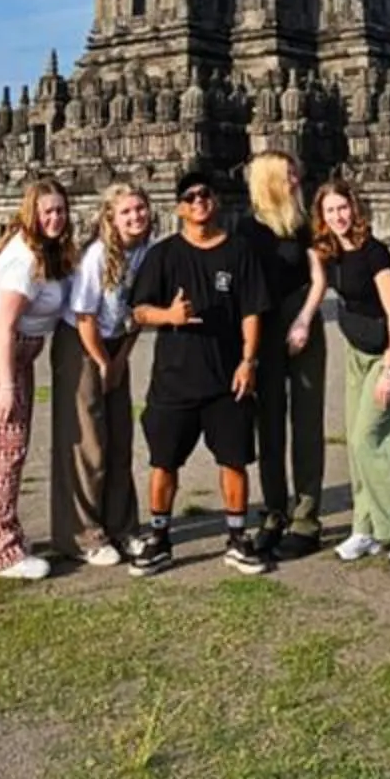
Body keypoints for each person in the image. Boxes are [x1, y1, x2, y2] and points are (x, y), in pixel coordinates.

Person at [126, 162, 272, 576]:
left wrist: (248, 360)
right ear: (179, 209)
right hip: (174, 378)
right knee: (164, 461)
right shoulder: (164, 254)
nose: (198, 202)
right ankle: (159, 537)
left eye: (204, 195)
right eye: (190, 198)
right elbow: (138, 310)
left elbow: (252, 311)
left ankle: (238, 536)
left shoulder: (238, 252)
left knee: (234, 459)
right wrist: (169, 315)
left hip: (228, 377)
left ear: (216, 201)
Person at [307, 173, 390, 568]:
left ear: (355, 208)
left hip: (386, 354)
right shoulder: (327, 249)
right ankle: (367, 525)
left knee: (369, 439)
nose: (338, 216)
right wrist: (300, 322)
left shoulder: (374, 252)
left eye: (343, 208)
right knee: (354, 441)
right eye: (330, 211)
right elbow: (316, 286)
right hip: (356, 354)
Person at [0, 177, 74, 581]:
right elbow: (5, 324)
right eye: (47, 212)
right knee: (6, 443)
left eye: (60, 210)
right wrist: (6, 386)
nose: (55, 218)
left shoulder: (50, 251)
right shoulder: (24, 258)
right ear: (32, 214)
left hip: (15, 348)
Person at [50, 181, 153, 568]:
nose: (135, 217)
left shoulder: (146, 252)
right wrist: (104, 363)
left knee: (119, 437)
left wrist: (121, 358)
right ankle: (82, 534)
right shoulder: (96, 256)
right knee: (87, 440)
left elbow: (139, 312)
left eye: (140, 209)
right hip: (81, 343)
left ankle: (123, 527)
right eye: (126, 211)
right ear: (110, 216)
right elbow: (84, 316)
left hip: (116, 343)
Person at [244, 149, 328, 557]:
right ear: (268, 179)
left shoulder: (303, 224)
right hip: (264, 326)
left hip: (303, 322)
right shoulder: (247, 230)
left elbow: (318, 277)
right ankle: (274, 511)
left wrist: (305, 320)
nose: (296, 180)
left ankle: (307, 517)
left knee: (307, 421)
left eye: (296, 173)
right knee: (270, 422)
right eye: (288, 174)